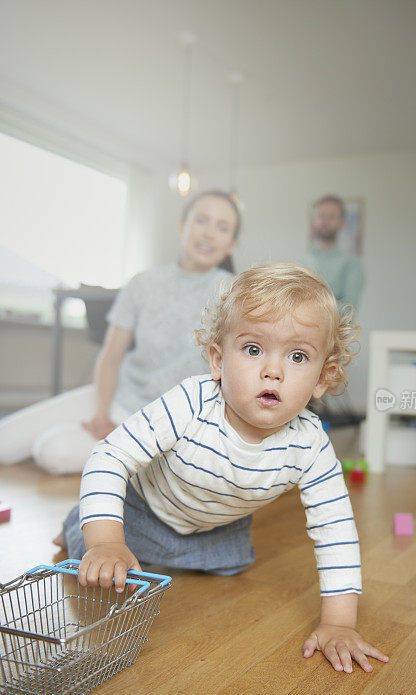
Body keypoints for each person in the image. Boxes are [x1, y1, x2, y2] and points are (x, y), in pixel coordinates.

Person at [58, 262, 389, 674]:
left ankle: (156, 549)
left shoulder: (310, 443)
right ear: (217, 360)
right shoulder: (192, 402)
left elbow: (335, 529)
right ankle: (81, 522)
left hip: (217, 527)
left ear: (323, 378)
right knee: (97, 558)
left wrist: (338, 623)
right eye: (253, 350)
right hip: (143, 511)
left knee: (235, 563)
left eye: (298, 356)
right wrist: (106, 541)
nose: (273, 370)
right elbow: (110, 455)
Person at [0, 190, 241, 475]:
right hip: (115, 395)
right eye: (201, 220)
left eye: (222, 227)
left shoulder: (235, 294)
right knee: (5, 439)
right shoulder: (143, 283)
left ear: (231, 244)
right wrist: (101, 413)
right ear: (181, 227)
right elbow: (111, 355)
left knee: (52, 451)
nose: (210, 233)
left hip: (161, 421)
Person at [304, 195, 365, 310]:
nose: (324, 221)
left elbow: (348, 311)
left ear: (342, 223)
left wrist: (307, 308)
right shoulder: (299, 262)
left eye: (331, 216)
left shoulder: (352, 264)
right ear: (314, 220)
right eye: (321, 215)